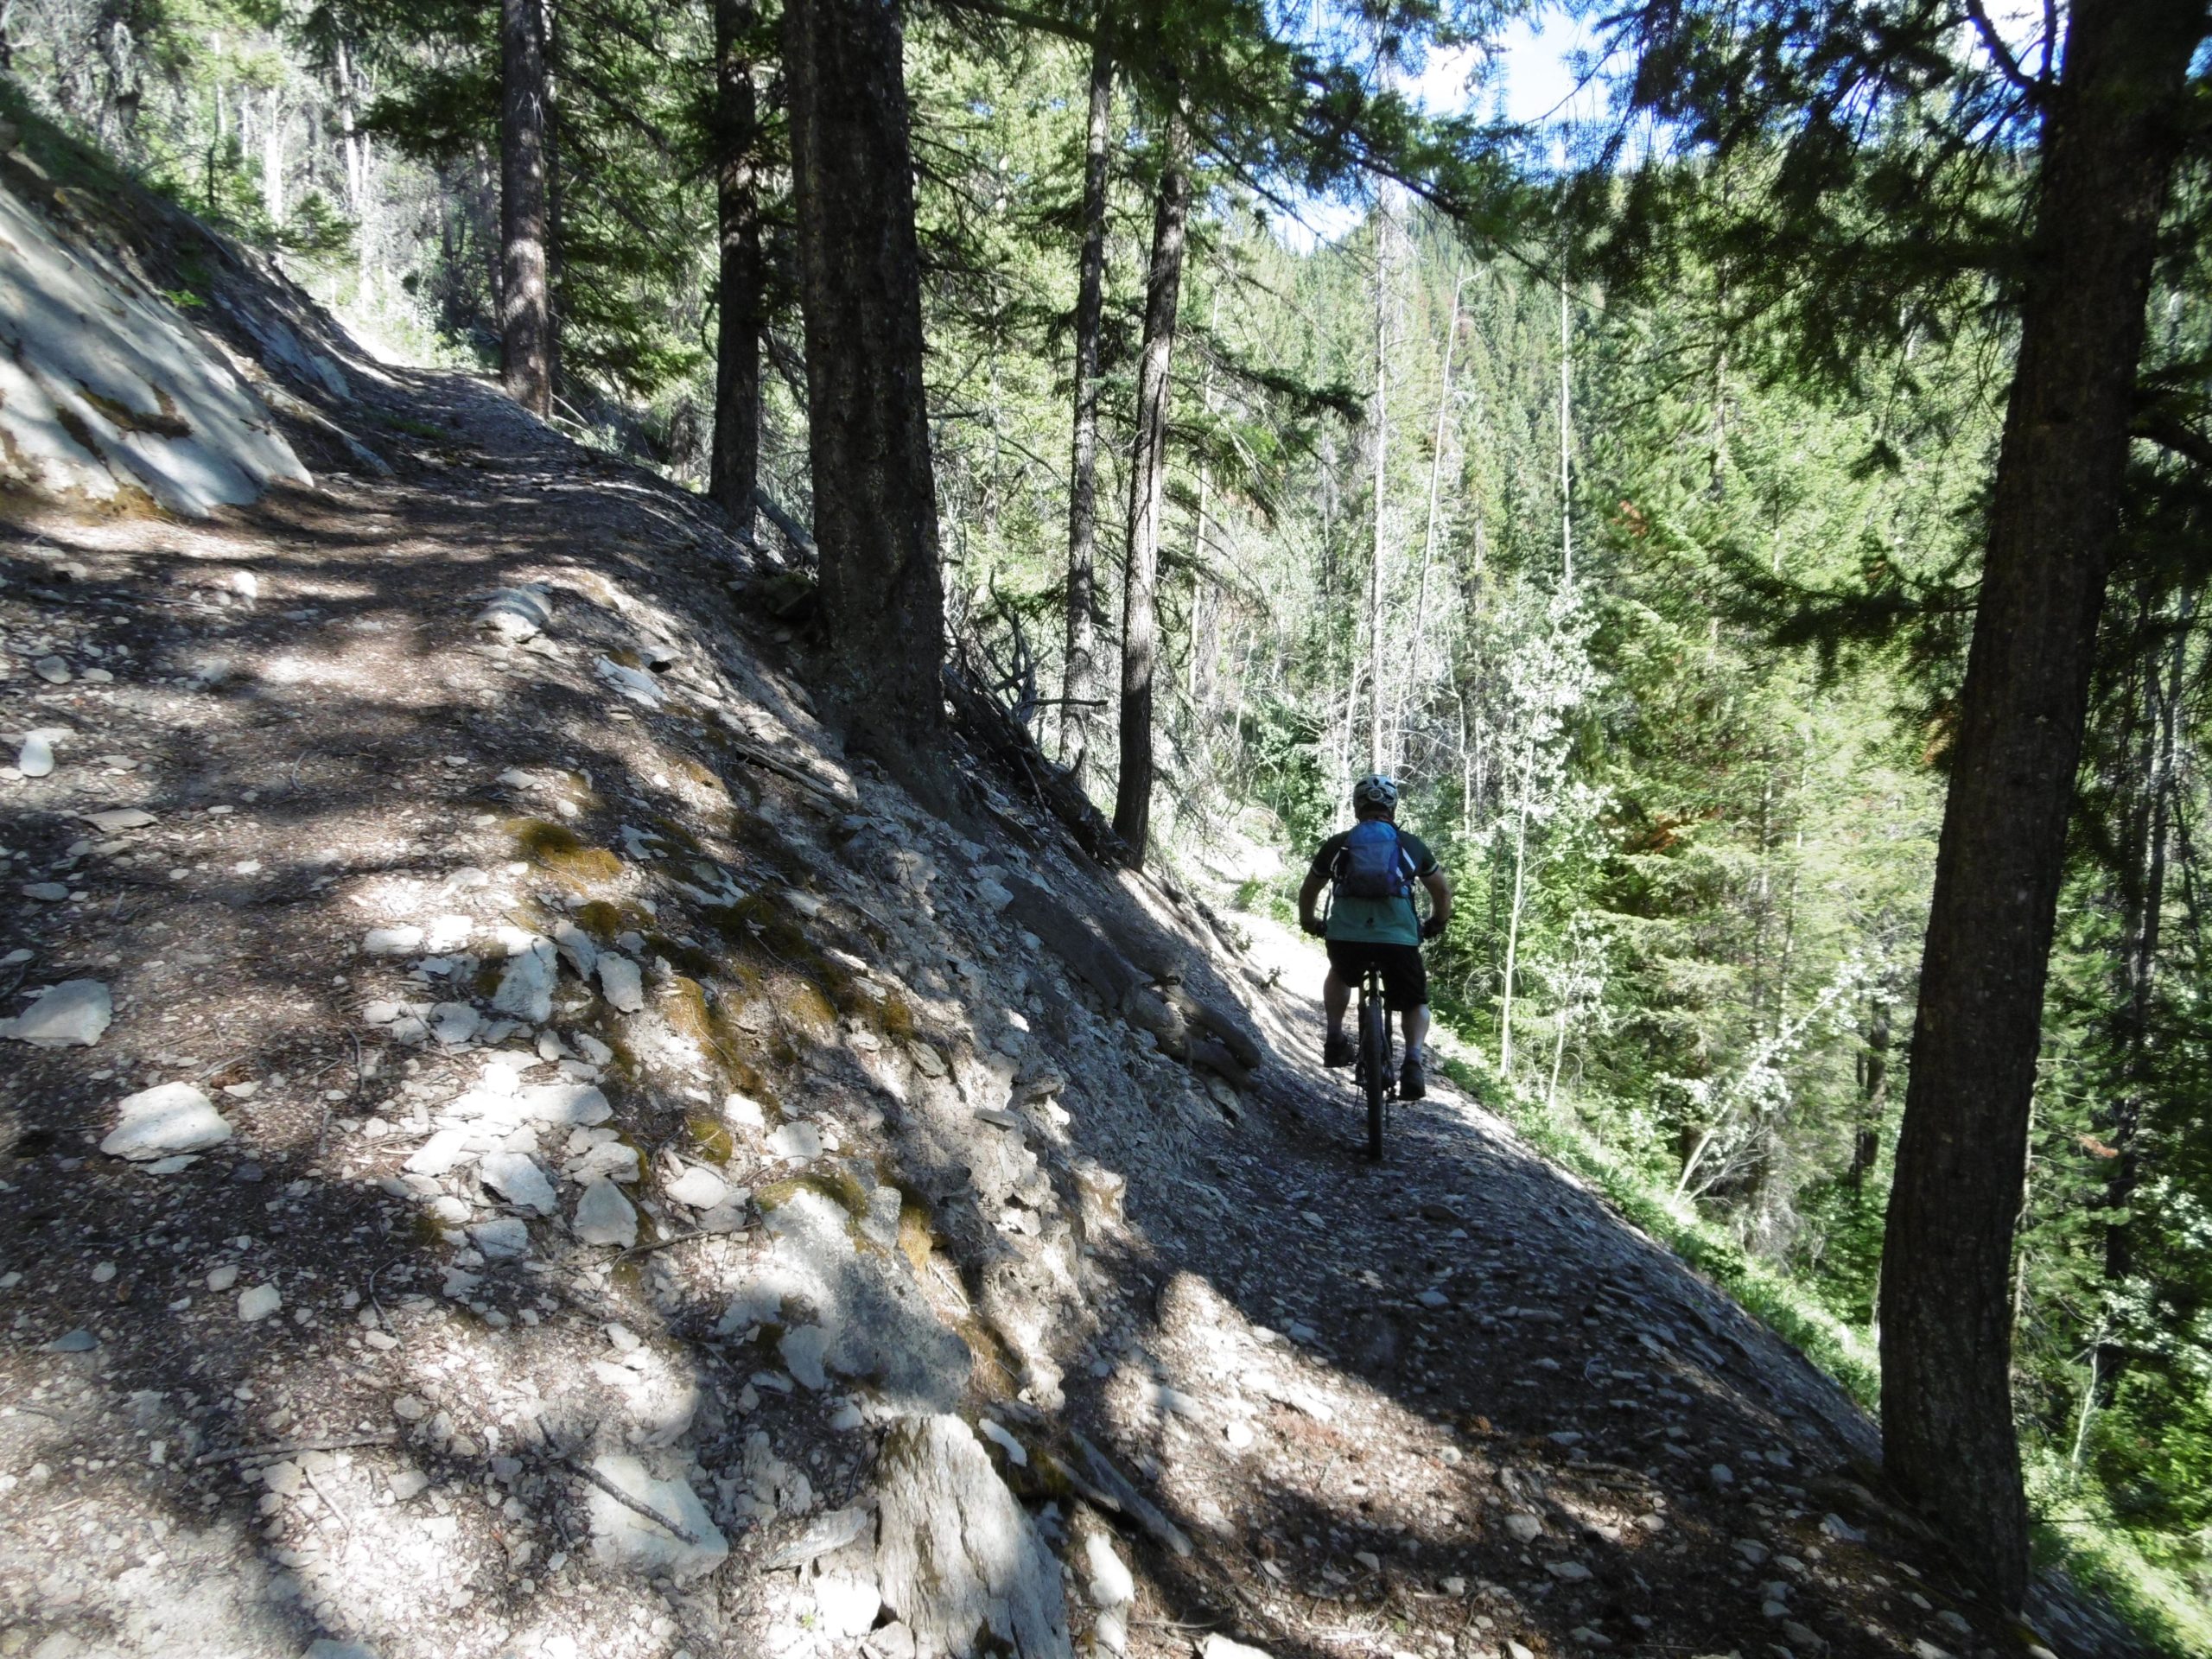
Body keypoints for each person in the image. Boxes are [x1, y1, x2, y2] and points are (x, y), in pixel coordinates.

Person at [1296, 773, 1452, 1099]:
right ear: (1392, 809)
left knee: (1339, 972)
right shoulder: (1411, 845)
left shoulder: (1339, 843)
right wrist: (1437, 922)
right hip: (1399, 939)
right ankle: (1412, 1062)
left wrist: (1309, 921)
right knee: (1414, 1001)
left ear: (1357, 807)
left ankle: (1335, 1038)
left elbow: (1311, 888)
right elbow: (1440, 889)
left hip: (1346, 937)